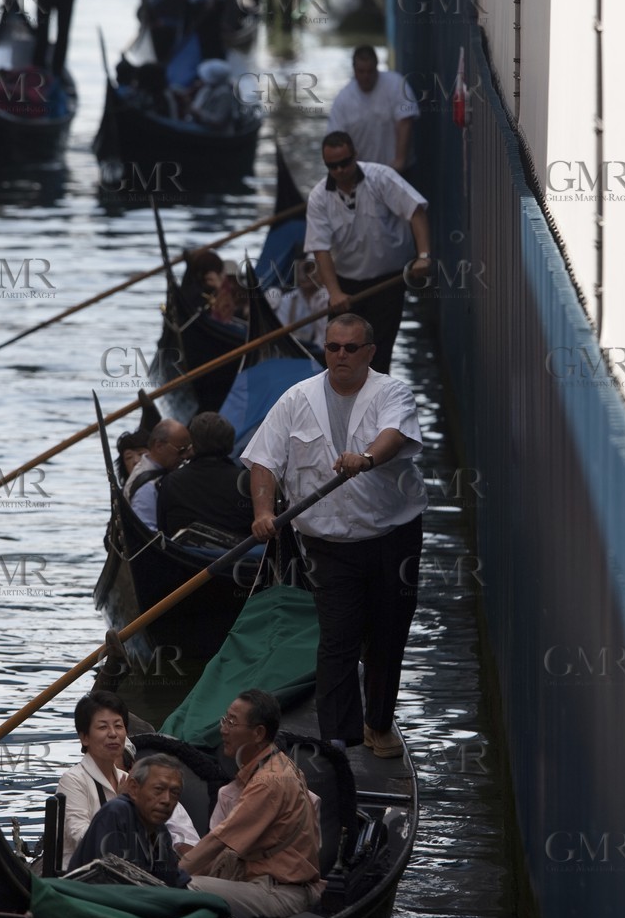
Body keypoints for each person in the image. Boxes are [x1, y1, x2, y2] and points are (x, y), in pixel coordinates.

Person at [243, 314, 427, 758]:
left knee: (387, 633)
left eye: (349, 348)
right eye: (332, 347)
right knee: (337, 638)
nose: (340, 355)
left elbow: (393, 436)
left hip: (392, 538)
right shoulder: (296, 399)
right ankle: (337, 741)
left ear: (369, 352)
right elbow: (265, 461)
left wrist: (364, 459)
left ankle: (378, 724)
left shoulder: (391, 393)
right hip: (328, 546)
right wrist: (264, 511)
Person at [181, 689, 324, 918]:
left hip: (279, 891)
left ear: (258, 733)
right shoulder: (280, 765)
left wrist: (170, 877)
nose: (223, 729)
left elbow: (219, 840)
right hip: (269, 884)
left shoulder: (268, 782)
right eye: (225, 719)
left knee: (185, 887)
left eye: (231, 722)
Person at [305, 131, 431, 374]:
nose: (340, 170)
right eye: (333, 166)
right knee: (339, 355)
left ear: (355, 156)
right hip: (345, 287)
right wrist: (334, 292)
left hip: (387, 283)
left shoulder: (381, 177)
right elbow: (320, 249)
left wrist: (423, 256)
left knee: (378, 355)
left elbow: (415, 211)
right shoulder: (319, 197)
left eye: (344, 162)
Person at [58, 692, 198, 864]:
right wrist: (121, 802)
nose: (113, 734)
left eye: (118, 726)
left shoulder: (131, 780)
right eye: (103, 727)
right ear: (84, 738)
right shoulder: (72, 780)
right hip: (86, 878)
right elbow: (83, 839)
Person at [68, 753, 191, 885]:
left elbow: (172, 881)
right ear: (133, 788)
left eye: (174, 793)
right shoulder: (116, 813)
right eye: (158, 789)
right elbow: (112, 880)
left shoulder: (160, 830)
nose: (166, 800)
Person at [157, 412, 253, 541]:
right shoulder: (247, 481)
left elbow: (163, 532)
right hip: (241, 558)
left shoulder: (171, 482)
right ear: (230, 445)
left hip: (186, 555)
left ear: (193, 445)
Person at [328, 45, 419, 172]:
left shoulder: (396, 85)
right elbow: (335, 139)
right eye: (361, 71)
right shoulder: (343, 100)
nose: (366, 76)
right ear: (354, 70)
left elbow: (405, 121)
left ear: (377, 67)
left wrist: (400, 161)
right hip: (361, 173)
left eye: (370, 71)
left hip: (397, 171)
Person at [126, 419, 193, 529]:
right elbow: (147, 534)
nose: (185, 456)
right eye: (181, 450)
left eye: (188, 450)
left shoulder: (155, 472)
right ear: (159, 446)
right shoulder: (147, 488)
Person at [267, 253, 329, 351]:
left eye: (312, 269)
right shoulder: (287, 300)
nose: (307, 274)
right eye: (305, 268)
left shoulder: (328, 300)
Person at [184, 248, 246, 325]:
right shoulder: (200, 295)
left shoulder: (243, 296)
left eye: (234, 280)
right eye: (228, 279)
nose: (231, 284)